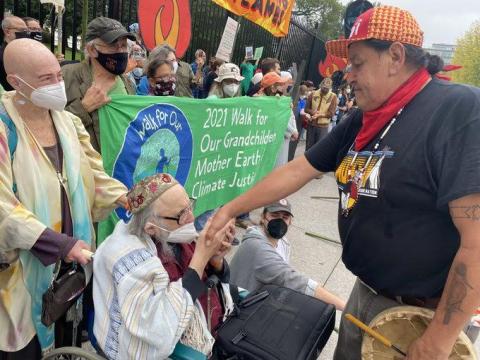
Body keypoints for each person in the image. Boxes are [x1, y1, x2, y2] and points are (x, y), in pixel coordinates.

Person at [206, 5, 480, 360]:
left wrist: (440, 338)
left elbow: (476, 242)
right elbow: (297, 170)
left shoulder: (457, 110)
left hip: (422, 317)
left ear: (395, 56)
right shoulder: (364, 118)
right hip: (365, 292)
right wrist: (230, 208)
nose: (347, 74)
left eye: (358, 63)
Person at [0, 38, 128, 357]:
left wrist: (129, 199)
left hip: (71, 269)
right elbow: (3, 209)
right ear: (16, 82)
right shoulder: (4, 130)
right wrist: (59, 244)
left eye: (59, 75)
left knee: (66, 341)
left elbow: (93, 175)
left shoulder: (67, 122)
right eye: (47, 79)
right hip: (22, 276)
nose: (58, 84)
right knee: (27, 347)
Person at [93, 174, 235, 359]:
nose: (191, 218)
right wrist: (200, 257)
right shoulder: (131, 262)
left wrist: (216, 260)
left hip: (215, 328)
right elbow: (158, 330)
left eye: (189, 206)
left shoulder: (177, 235)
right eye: (181, 214)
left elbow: (217, 283)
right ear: (151, 228)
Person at [230, 199, 346, 310]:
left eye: (285, 217)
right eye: (274, 215)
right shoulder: (257, 247)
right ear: (263, 217)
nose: (279, 221)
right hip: (239, 306)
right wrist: (345, 307)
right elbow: (292, 280)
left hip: (256, 299)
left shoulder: (283, 243)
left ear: (290, 221)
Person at [62, 17, 136, 152]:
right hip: (87, 167)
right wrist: (83, 108)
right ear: (92, 50)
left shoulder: (127, 82)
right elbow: (46, 127)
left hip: (117, 166)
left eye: (124, 45)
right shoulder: (66, 76)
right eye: (113, 45)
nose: (120, 51)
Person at [257, 72, 298, 167]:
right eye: (279, 84)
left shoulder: (278, 99)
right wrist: (292, 131)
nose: (282, 86)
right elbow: (278, 120)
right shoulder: (262, 101)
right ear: (272, 87)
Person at [304, 77, 338, 151]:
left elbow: (331, 113)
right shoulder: (312, 94)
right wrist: (313, 112)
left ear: (330, 88)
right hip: (311, 124)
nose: (325, 89)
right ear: (321, 85)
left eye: (327, 88)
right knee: (308, 148)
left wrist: (320, 115)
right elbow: (306, 109)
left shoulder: (333, 97)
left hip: (323, 127)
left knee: (318, 149)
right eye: (324, 87)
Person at [0, 16, 28, 91]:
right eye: (22, 30)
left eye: (26, 30)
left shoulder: (24, 51)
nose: (25, 33)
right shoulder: (2, 55)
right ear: (7, 32)